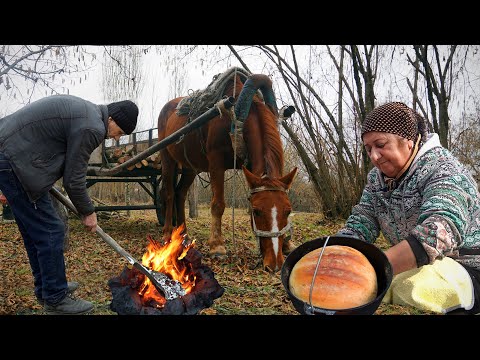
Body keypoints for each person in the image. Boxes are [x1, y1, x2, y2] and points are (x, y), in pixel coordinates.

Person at [337, 101, 480, 315]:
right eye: (368, 149)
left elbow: (439, 230)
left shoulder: (444, 170)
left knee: (414, 287)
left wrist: (372, 269)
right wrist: (336, 254)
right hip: (416, 268)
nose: (374, 156)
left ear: (409, 142)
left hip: (467, 267)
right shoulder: (376, 179)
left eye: (381, 145)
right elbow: (362, 221)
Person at [0, 94, 138, 315]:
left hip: (14, 157)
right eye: (119, 132)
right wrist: (88, 212)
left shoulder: (87, 114)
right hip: (16, 162)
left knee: (37, 232)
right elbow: (73, 179)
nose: (115, 138)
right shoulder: (92, 127)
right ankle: (56, 298)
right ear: (111, 119)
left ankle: (48, 288)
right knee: (51, 230)